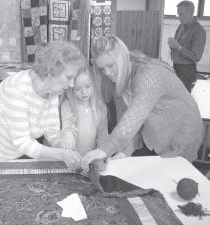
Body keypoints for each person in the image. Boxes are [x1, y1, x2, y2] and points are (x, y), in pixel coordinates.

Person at [81, 35, 203, 172]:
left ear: (121, 57)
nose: (107, 73)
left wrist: (105, 149)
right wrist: (125, 151)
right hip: (158, 130)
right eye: (102, 69)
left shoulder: (148, 74)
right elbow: (126, 118)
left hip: (183, 129)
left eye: (110, 65)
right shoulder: (120, 77)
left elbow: (134, 118)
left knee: (173, 175)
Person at [0, 40, 86, 170]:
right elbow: (23, 143)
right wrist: (62, 154)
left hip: (19, 152)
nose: (71, 84)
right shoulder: (16, 90)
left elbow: (51, 130)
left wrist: (65, 142)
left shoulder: (52, 90)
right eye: (69, 77)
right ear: (50, 72)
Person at [60, 66, 108, 157]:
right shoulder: (67, 104)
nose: (84, 92)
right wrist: (68, 133)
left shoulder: (100, 107)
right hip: (68, 158)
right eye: (77, 89)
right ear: (71, 88)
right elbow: (68, 124)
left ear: (94, 83)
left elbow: (103, 137)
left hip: (90, 159)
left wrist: (100, 155)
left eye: (88, 86)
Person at [168, 0, 206, 92]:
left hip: (187, 72)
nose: (179, 17)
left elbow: (196, 57)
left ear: (190, 13)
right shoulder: (181, 26)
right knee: (176, 96)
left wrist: (178, 47)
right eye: (178, 14)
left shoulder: (199, 31)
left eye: (181, 14)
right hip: (176, 67)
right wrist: (172, 44)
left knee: (183, 101)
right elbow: (177, 45)